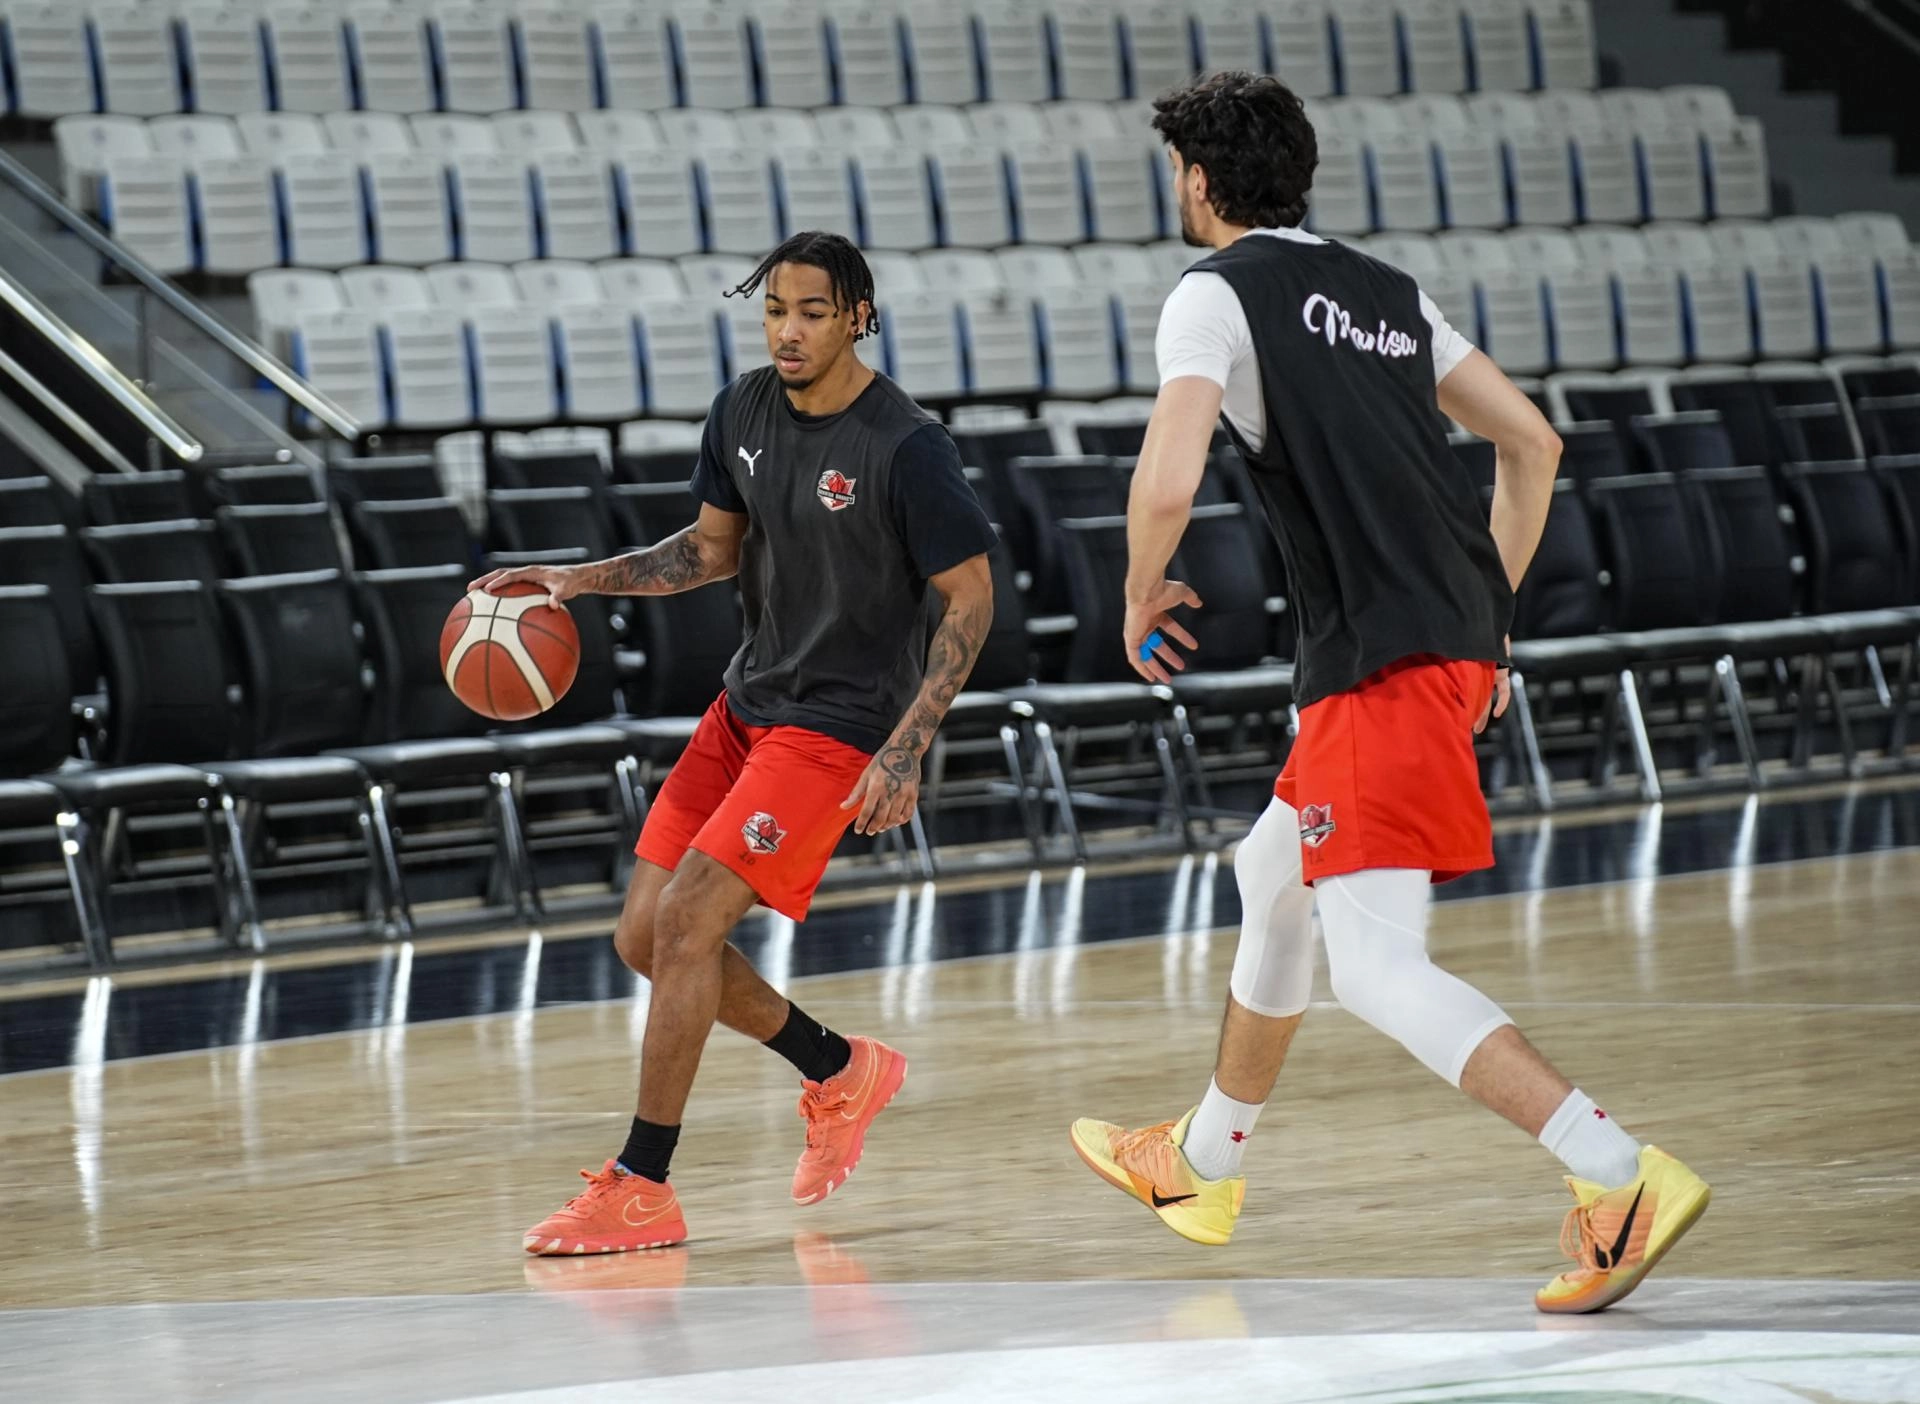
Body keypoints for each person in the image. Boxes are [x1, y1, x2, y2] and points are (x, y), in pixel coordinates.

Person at [1067, 73, 1709, 1315]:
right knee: (1270, 875)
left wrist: (1140, 589)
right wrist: (1487, 621)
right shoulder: (1388, 294)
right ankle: (1202, 1164)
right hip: (1440, 643)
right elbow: (1533, 443)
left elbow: (1167, 477)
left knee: (1372, 968)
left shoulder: (1214, 291)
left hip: (1378, 662)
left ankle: (1616, 1173)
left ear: (1198, 181)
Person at [476, 231, 997, 1255]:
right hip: (748, 705)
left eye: (812, 312)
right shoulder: (742, 410)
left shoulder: (907, 446)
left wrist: (906, 747)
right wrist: (578, 580)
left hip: (837, 728)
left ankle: (642, 1185)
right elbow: (709, 552)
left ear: (859, 317)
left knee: (686, 922)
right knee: (644, 938)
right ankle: (838, 1068)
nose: (787, 331)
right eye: (773, 312)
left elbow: (970, 600)